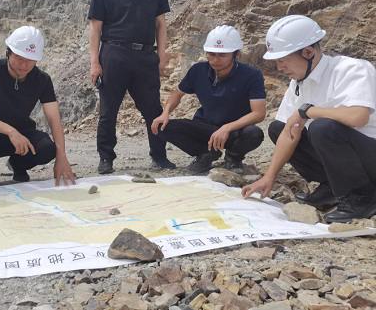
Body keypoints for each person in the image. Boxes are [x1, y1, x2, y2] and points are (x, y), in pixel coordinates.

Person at [241, 15, 376, 223]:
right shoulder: (298, 82)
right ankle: (332, 187)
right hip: (349, 157)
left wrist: (309, 111)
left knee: (322, 128)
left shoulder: (351, 69)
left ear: (308, 52)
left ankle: (364, 196)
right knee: (279, 128)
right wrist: (269, 177)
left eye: (282, 60)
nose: (279, 68)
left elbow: (358, 117)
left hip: (370, 156)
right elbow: (289, 132)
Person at [88, 0, 176, 175]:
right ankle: (106, 158)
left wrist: (161, 55)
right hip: (113, 55)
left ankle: (159, 156)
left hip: (145, 56)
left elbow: (160, 25)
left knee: (153, 109)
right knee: (108, 111)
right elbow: (95, 30)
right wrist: (95, 62)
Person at [0, 26, 76, 188]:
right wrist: (11, 131)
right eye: (19, 58)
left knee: (48, 148)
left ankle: (18, 165)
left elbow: (54, 119)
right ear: (8, 53)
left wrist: (62, 157)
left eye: (30, 60)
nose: (24, 65)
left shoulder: (42, 80)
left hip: (23, 138)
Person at [151, 26, 266, 174]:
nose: (215, 59)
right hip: (205, 127)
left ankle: (233, 157)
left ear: (236, 54)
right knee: (161, 127)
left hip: (234, 131)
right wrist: (165, 112)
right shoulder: (198, 70)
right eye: (211, 54)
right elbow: (177, 94)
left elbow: (258, 114)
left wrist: (227, 127)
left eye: (222, 55)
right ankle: (206, 153)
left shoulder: (252, 75)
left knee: (254, 133)